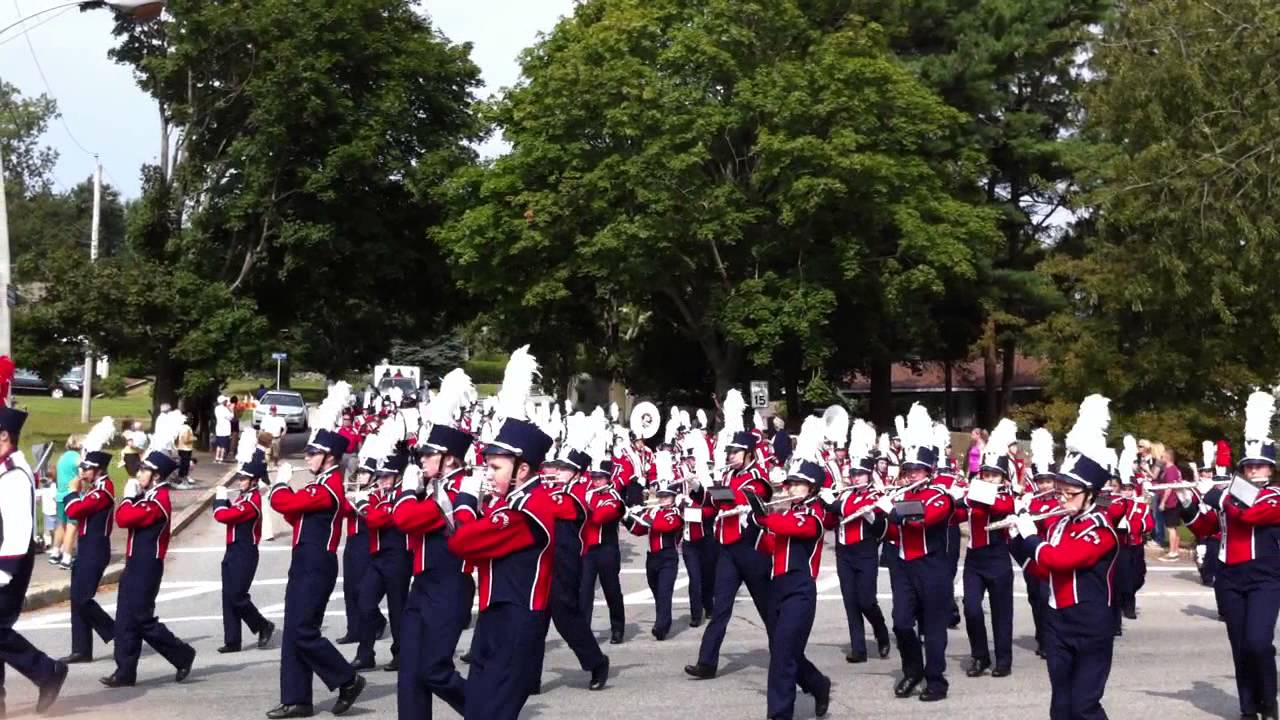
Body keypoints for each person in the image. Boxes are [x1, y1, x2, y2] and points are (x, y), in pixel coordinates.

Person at [447, 345, 559, 720]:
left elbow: (464, 544)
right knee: (477, 708)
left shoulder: (530, 507)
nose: (488, 475)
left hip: (517, 618)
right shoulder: (508, 502)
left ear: (522, 470)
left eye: (495, 467)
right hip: (495, 615)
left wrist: (464, 503)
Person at [1008, 393, 1119, 720]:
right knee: (1061, 706)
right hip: (1057, 623)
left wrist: (1030, 537)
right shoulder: (1058, 524)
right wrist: (1015, 539)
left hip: (1091, 625)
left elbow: (1061, 561)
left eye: (1071, 493)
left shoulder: (1100, 530)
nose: (1062, 498)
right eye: (1061, 491)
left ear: (1091, 495)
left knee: (1084, 707)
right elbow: (1044, 570)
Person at [392, 368, 480, 720]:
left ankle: (484, 711)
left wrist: (408, 490)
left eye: (429, 455)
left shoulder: (457, 490)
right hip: (424, 585)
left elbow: (405, 519)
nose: (422, 460)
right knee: (410, 673)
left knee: (434, 670)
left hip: (449, 587)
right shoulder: (437, 487)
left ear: (449, 458)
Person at [266, 426, 366, 718]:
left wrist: (280, 484)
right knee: (293, 633)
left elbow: (282, 502)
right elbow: (293, 513)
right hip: (304, 562)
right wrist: (289, 497)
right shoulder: (320, 486)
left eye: (313, 453)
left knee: (303, 630)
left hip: (316, 565)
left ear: (329, 457)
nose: (307, 457)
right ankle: (297, 698)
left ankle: (347, 679)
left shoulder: (326, 487)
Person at [1199, 391, 1280, 720]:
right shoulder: (1231, 494)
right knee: (1240, 646)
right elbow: (1204, 525)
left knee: (1258, 642)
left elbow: (1250, 515)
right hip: (1229, 576)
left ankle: (1269, 700)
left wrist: (1221, 495)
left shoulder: (1275, 495)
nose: (1253, 470)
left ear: (1270, 468)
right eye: (1248, 466)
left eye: (1260, 465)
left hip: (1265, 576)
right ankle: (1248, 708)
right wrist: (1195, 501)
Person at [685, 388, 774, 680]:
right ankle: (707, 662)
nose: (730, 456)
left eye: (734, 452)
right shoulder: (727, 476)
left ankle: (785, 653)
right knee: (720, 609)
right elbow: (713, 506)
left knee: (767, 609)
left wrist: (717, 490)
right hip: (726, 550)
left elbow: (745, 500)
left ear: (748, 453)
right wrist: (698, 491)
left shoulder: (757, 476)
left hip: (751, 550)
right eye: (729, 452)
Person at [750, 419, 832, 720]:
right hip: (778, 587)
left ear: (811, 487)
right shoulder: (792, 512)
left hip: (800, 590)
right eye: (791, 483)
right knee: (786, 652)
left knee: (782, 656)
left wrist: (764, 517)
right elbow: (774, 547)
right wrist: (755, 532)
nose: (792, 488)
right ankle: (818, 684)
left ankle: (779, 714)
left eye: (798, 484)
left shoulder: (814, 514)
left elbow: (796, 528)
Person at [101, 450, 197, 687]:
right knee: (125, 617)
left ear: (156, 476)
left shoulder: (159, 500)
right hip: (135, 563)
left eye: (144, 470)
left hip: (148, 566)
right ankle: (125, 670)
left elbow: (123, 519)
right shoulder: (148, 495)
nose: (139, 473)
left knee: (142, 619)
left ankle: (182, 654)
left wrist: (128, 498)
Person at [530, 411, 610, 693]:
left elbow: (551, 508)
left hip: (566, 562)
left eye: (564, 469)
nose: (557, 472)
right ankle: (531, 678)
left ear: (576, 472)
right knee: (536, 619)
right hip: (546, 560)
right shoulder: (554, 489)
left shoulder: (576, 494)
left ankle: (597, 661)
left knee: (566, 618)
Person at [881, 403, 954, 702]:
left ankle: (936, 681)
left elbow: (921, 519)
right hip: (904, 567)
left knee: (934, 628)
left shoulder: (940, 495)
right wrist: (876, 516)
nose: (911, 475)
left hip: (932, 566)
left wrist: (892, 511)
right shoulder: (901, 494)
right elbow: (890, 530)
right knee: (900, 622)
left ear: (929, 471)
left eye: (917, 470)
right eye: (908, 470)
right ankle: (913, 670)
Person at [0, 406, 69, 715]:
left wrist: (4, 572)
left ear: (4, 436)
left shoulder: (13, 471)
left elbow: (17, 527)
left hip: (7, 563)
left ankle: (47, 671)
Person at [827, 421, 890, 664]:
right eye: (853, 474)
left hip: (865, 552)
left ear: (869, 474)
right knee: (850, 601)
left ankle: (881, 631)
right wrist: (825, 502)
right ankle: (859, 648)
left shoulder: (877, 495)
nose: (855, 478)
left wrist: (871, 515)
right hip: (844, 552)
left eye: (860, 474)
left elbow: (883, 528)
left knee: (866, 600)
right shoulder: (844, 494)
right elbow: (833, 517)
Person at [959, 418, 1018, 679]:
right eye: (986, 474)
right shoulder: (973, 491)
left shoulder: (1006, 496)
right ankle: (980, 655)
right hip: (974, 558)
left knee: (1001, 612)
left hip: (997, 558)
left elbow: (999, 508)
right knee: (971, 608)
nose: (989, 478)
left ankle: (1003, 659)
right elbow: (959, 510)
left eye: (994, 474)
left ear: (1003, 478)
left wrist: (973, 493)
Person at [352, 453, 412, 671]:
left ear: (398, 477)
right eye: (380, 476)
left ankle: (401, 653)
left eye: (387, 477)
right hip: (378, 556)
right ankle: (365, 653)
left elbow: (376, 519)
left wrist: (364, 507)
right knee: (364, 600)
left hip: (397, 556)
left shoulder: (402, 496)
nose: (382, 481)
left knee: (398, 609)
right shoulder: (380, 494)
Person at [212, 452, 275, 654]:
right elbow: (233, 515)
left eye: (245, 478)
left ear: (254, 481)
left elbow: (222, 516)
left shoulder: (252, 502)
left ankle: (262, 625)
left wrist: (220, 499)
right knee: (228, 596)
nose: (240, 481)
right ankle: (232, 640)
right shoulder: (244, 497)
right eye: (240, 478)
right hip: (232, 550)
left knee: (237, 595)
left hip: (245, 552)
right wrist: (226, 501)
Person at [61, 445, 117, 663]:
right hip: (85, 547)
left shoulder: (103, 491)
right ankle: (81, 649)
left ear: (99, 470)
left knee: (83, 598)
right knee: (76, 599)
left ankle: (114, 631)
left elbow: (73, 511)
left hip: (96, 548)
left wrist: (72, 492)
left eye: (87, 468)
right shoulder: (95, 489)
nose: (82, 472)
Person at [623, 455, 683, 641]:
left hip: (667, 557)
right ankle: (663, 619)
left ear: (673, 498)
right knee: (657, 592)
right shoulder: (653, 512)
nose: (663, 499)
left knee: (664, 592)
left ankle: (661, 627)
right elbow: (639, 530)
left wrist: (647, 514)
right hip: (652, 558)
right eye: (661, 496)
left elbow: (663, 526)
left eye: (666, 496)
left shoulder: (675, 513)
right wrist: (626, 516)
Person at [581, 457, 626, 644]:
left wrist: (584, 505)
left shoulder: (614, 497)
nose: (596, 481)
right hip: (589, 550)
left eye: (601, 478)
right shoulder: (588, 494)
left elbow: (599, 517)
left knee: (612, 590)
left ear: (608, 479)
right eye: (594, 478)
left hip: (607, 549)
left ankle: (617, 629)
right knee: (584, 592)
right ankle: (583, 632)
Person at [49, 434, 81, 569]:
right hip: (71, 496)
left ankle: (55, 552)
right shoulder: (76, 456)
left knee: (60, 525)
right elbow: (83, 469)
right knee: (71, 527)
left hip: (60, 495)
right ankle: (67, 557)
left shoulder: (62, 457)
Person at [1158, 446, 1183, 561]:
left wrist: (1163, 502)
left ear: (1167, 457)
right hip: (1173, 501)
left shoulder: (1171, 470)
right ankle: (1175, 550)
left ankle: (1172, 552)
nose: (1160, 458)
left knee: (1171, 528)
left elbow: (1169, 487)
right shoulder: (1171, 469)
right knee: (1174, 527)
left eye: (1162, 456)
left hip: (1171, 502)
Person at [214, 397, 234, 464]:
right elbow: (231, 417)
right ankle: (221, 458)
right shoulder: (224, 409)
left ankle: (217, 457)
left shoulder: (217, 408)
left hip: (219, 428)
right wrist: (231, 410)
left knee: (219, 444)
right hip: (225, 429)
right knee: (223, 445)